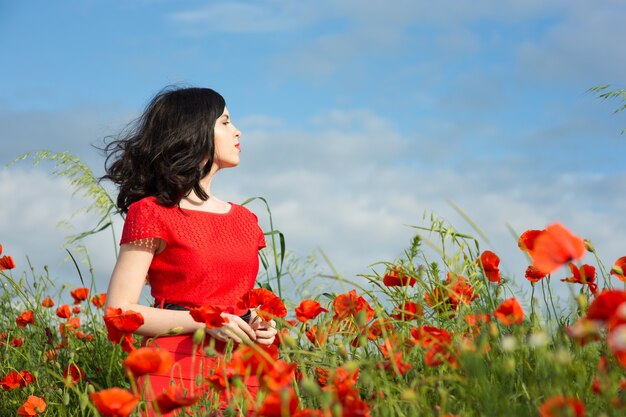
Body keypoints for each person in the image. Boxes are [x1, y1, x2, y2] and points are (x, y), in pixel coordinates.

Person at [102, 86, 277, 415]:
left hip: (244, 371)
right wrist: (204, 324)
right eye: (224, 122)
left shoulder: (245, 219)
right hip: (175, 369)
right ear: (193, 132)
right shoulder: (151, 212)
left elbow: (235, 300)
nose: (237, 130)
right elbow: (119, 312)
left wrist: (259, 324)